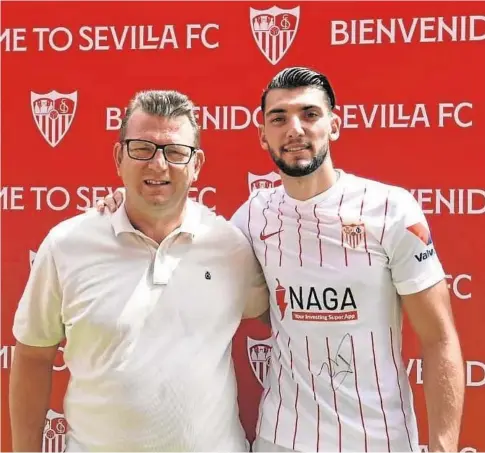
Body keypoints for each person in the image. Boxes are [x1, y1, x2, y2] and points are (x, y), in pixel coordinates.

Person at [99, 68, 465, 452]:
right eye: (279, 118)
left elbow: (439, 338)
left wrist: (444, 446)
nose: (295, 129)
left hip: (380, 441)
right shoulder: (253, 216)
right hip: (280, 440)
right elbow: (177, 235)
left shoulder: (391, 209)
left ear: (334, 125)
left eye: (309, 114)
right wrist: (124, 205)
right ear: (262, 135)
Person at [10, 90, 269, 452]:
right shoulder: (67, 245)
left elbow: (283, 319)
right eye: (142, 149)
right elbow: (34, 355)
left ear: (197, 165)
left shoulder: (232, 248)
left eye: (176, 152)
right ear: (119, 157)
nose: (158, 165)